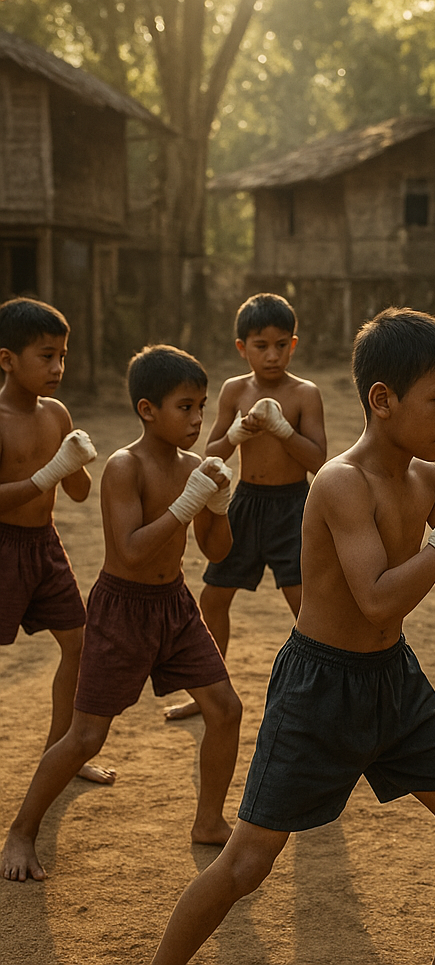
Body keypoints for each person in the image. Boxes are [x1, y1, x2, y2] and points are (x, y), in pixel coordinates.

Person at [150, 307, 435, 965]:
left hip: (393, 682)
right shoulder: (342, 483)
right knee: (247, 863)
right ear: (382, 399)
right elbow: (375, 600)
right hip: (318, 686)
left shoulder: (428, 480)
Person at [0, 345, 243, 882]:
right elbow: (131, 550)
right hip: (121, 610)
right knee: (86, 737)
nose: (198, 419)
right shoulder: (123, 467)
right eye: (185, 407)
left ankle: (209, 821)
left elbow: (218, 552)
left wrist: (218, 505)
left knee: (225, 708)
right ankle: (20, 830)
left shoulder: (192, 470)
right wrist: (187, 503)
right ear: (147, 409)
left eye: (202, 406)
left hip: (175, 605)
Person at [165, 292, 327, 719]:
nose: (272, 356)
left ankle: (320, 693)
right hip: (246, 505)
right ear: (242, 347)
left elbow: (319, 461)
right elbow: (212, 451)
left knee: (305, 602)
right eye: (261, 346)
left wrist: (281, 430)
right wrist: (238, 433)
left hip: (293, 506)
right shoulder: (233, 390)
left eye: (281, 345)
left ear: (294, 343)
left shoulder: (305, 393)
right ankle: (207, 691)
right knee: (214, 598)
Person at [0, 297, 113, 787]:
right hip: (2, 547)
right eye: (45, 356)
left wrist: (78, 460)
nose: (58, 367)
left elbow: (79, 492)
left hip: (45, 546)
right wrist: (52, 469)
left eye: (62, 356)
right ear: (7, 359)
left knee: (79, 642)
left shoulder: (58, 413)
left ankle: (61, 752)